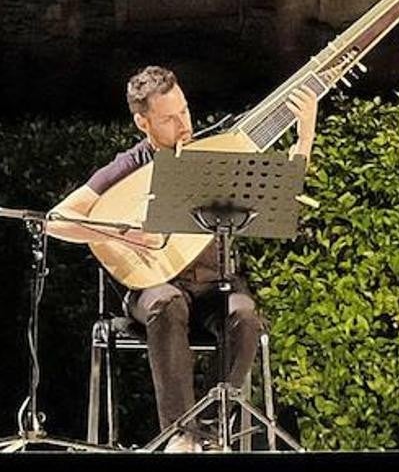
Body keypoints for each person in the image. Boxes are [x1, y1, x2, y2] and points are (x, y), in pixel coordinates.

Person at [48, 66, 319, 452]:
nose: (184, 123)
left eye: (185, 111)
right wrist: (120, 232)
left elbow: (279, 191)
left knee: (244, 316)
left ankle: (208, 434)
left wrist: (304, 133)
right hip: (153, 286)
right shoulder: (130, 166)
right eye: (170, 118)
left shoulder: (213, 155)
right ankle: (180, 436)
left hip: (215, 283)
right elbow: (58, 220)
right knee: (167, 303)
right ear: (143, 122)